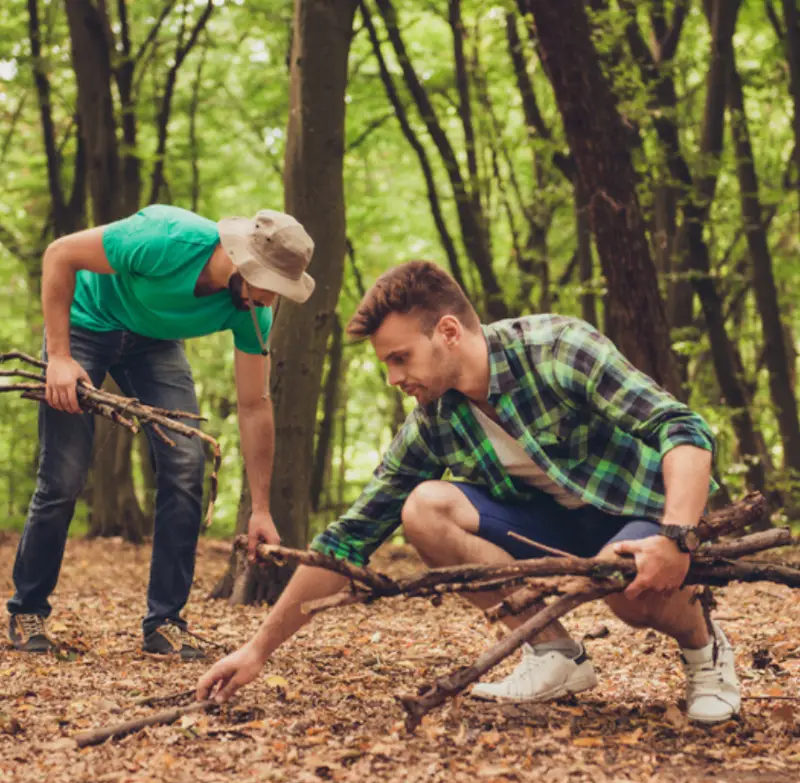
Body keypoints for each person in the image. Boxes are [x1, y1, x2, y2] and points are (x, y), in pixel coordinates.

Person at [197, 260, 740, 724]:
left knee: (625, 586)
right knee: (423, 508)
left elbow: (682, 428)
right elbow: (348, 540)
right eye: (387, 363)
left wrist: (677, 536)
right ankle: (554, 653)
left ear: (449, 332)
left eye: (400, 358)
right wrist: (257, 650)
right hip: (552, 528)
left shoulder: (556, 348)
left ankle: (705, 650)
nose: (393, 378)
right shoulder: (434, 420)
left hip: (641, 517)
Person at [7, 204, 315, 660]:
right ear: (242, 260)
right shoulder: (166, 239)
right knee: (63, 476)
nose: (271, 299)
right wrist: (59, 356)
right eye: (269, 284)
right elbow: (59, 254)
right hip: (85, 322)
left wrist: (261, 509)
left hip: (153, 342)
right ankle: (27, 609)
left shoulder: (251, 312)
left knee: (187, 464)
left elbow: (254, 406)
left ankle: (165, 622)